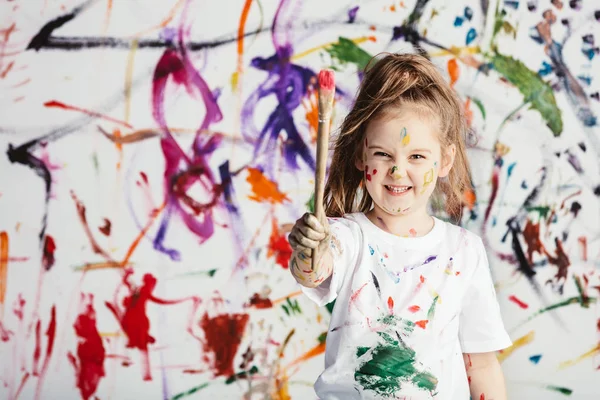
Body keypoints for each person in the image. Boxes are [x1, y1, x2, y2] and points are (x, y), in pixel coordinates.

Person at [288, 53, 512, 400]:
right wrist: (308, 250)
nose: (397, 171)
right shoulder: (348, 237)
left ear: (445, 160)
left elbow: (481, 364)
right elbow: (314, 271)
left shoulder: (464, 251)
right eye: (383, 154)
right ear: (361, 155)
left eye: (417, 157)